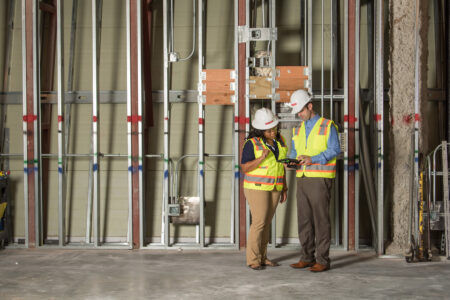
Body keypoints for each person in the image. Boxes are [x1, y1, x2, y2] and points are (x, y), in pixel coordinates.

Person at [287, 90, 341, 272]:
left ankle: (323, 260)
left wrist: (313, 159)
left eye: (301, 111)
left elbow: (335, 150)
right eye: (297, 113)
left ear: (310, 106)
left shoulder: (327, 125)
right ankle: (306, 257)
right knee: (304, 220)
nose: (299, 115)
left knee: (321, 221)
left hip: (320, 178)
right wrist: (291, 162)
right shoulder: (298, 129)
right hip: (302, 178)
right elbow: (295, 152)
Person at [241, 108, 288, 270]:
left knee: (267, 223)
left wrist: (284, 187)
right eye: (269, 130)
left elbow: (281, 165)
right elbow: (245, 168)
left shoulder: (280, 140)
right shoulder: (251, 144)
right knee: (259, 222)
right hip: (257, 187)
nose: (273, 132)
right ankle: (253, 259)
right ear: (260, 130)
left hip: (275, 186)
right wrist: (261, 158)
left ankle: (263, 257)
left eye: (274, 128)